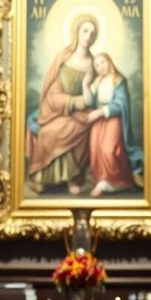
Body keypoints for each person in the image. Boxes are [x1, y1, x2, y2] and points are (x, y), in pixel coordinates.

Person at [26, 14, 99, 195]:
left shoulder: (94, 63)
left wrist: (86, 100)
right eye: (85, 30)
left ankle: (73, 179)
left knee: (60, 131)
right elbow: (52, 91)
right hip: (59, 109)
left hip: (83, 113)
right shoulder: (63, 57)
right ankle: (43, 178)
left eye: (92, 32)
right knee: (47, 131)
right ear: (76, 31)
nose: (88, 35)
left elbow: (96, 94)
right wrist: (72, 101)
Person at [84, 53, 142, 196]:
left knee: (108, 149)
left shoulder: (118, 80)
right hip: (99, 121)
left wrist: (101, 112)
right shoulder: (98, 81)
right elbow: (90, 102)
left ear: (109, 61)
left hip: (113, 118)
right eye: (96, 65)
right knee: (95, 148)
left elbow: (121, 103)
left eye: (102, 62)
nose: (100, 67)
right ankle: (101, 180)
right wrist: (90, 87)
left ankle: (118, 182)